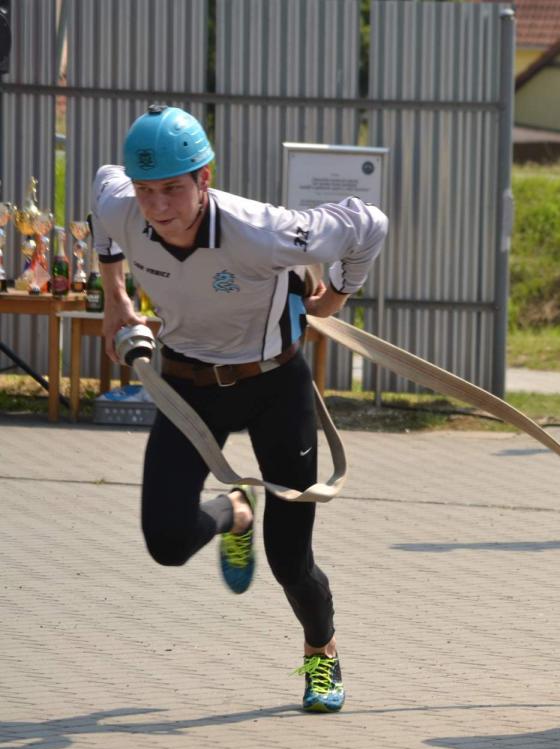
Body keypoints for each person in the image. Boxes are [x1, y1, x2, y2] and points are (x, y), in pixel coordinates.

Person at [90, 105, 388, 713]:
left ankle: (321, 654)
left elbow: (369, 222)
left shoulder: (261, 231)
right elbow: (101, 191)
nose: (158, 207)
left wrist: (336, 293)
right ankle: (233, 512)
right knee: (167, 542)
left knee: (290, 560)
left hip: (275, 386)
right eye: (146, 191)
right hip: (188, 386)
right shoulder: (122, 204)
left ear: (204, 178)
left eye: (173, 188)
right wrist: (115, 296)